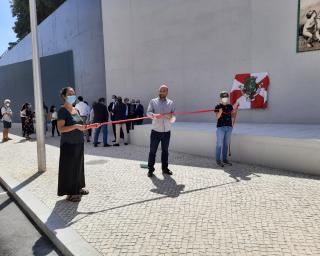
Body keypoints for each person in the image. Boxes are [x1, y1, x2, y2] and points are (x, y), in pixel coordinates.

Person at [57, 87, 90, 202]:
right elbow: (61, 129)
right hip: (68, 144)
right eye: (70, 94)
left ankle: (78, 188)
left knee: (78, 166)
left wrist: (90, 126)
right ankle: (70, 193)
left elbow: (80, 125)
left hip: (79, 142)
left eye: (74, 93)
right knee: (69, 168)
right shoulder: (62, 110)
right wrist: (76, 126)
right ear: (64, 96)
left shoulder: (76, 110)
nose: (72, 96)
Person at [147, 85, 175, 177]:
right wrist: (154, 115)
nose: (161, 92)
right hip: (155, 131)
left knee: (165, 151)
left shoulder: (171, 103)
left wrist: (171, 117)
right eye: (160, 91)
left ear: (167, 92)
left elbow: (173, 117)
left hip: (167, 131)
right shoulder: (153, 101)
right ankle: (150, 169)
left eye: (164, 91)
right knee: (152, 151)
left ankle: (165, 168)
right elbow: (148, 113)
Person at [215, 91, 237, 167]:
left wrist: (234, 112)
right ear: (221, 98)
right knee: (219, 144)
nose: (225, 98)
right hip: (220, 128)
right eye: (223, 97)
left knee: (226, 144)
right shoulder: (218, 106)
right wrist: (220, 112)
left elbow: (233, 116)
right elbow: (217, 117)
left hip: (229, 127)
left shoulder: (230, 106)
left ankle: (224, 159)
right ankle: (218, 160)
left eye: (226, 97)